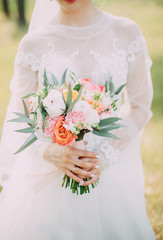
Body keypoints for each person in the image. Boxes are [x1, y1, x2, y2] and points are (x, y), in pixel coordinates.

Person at [0, 0, 156, 239]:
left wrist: (104, 156)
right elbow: (22, 116)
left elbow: (140, 106)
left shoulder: (126, 32)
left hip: (110, 172)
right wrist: (47, 150)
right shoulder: (34, 44)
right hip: (51, 176)